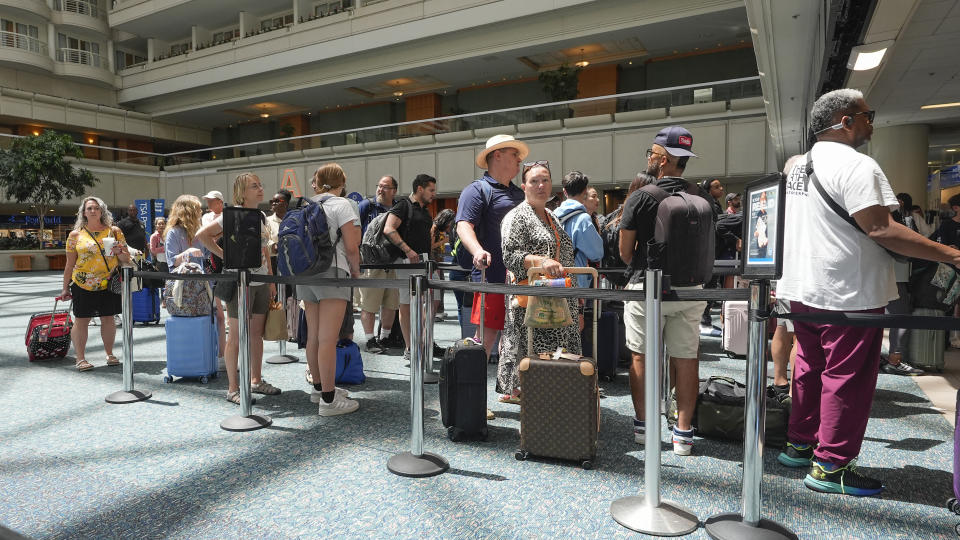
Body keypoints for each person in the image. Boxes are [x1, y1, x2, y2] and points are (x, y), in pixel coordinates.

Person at [775, 88, 960, 497]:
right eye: (867, 115)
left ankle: (800, 445)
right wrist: (952, 254)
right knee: (847, 377)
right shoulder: (858, 165)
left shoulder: (798, 167)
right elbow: (881, 229)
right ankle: (832, 466)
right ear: (846, 121)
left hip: (803, 286)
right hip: (848, 289)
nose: (871, 123)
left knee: (809, 366)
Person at [618, 126, 706, 456]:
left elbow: (626, 252)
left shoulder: (642, 196)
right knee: (686, 358)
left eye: (652, 153)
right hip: (691, 290)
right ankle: (683, 434)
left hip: (648, 287)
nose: (650, 158)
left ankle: (645, 428)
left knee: (641, 356)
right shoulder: (701, 196)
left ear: (663, 158)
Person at [498, 161, 580, 403]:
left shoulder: (551, 216)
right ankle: (538, 411)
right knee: (534, 356)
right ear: (524, 186)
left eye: (545, 180)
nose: (541, 185)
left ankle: (549, 403)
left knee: (557, 356)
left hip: (559, 300)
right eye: (534, 181)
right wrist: (540, 261)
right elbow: (510, 255)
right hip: (532, 304)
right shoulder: (516, 217)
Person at [196, 173, 282, 405]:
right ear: (242, 192)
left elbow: (265, 250)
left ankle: (256, 379)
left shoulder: (261, 216)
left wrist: (271, 280)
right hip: (239, 282)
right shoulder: (230, 215)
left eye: (260, 184)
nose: (260, 189)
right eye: (254, 186)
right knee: (235, 335)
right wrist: (228, 256)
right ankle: (233, 388)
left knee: (256, 334)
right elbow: (202, 235)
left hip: (261, 280)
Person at [296, 163, 362, 415]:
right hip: (333, 273)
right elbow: (352, 245)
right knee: (328, 338)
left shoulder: (306, 205)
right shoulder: (342, 205)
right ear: (341, 183)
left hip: (306, 274)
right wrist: (355, 272)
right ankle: (329, 399)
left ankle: (319, 388)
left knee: (313, 336)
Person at [455, 134, 527, 358]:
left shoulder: (520, 192)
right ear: (498, 155)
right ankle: (473, 392)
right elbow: (463, 226)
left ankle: (511, 392)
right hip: (492, 278)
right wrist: (477, 251)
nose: (519, 160)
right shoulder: (476, 190)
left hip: (523, 278)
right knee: (485, 342)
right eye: (514, 154)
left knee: (518, 341)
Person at [60, 197, 132, 371]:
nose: (93, 211)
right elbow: (69, 264)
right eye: (89, 208)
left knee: (108, 318)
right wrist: (64, 287)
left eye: (96, 208)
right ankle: (81, 358)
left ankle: (109, 353)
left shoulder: (114, 231)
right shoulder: (75, 235)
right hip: (82, 283)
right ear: (84, 212)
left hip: (108, 282)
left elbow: (126, 259)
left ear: (102, 211)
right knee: (82, 319)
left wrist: (119, 251)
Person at [382, 173, 438, 364]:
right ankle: (409, 347)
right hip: (406, 262)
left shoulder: (425, 210)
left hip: (423, 263)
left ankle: (419, 343)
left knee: (422, 305)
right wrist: (408, 250)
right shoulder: (403, 205)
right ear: (420, 189)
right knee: (406, 305)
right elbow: (389, 229)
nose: (434, 194)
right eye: (431, 190)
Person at [358, 175, 399, 354]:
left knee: (391, 303)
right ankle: (369, 340)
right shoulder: (367, 206)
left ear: (394, 191)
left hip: (393, 262)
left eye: (385, 187)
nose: (380, 190)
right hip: (371, 263)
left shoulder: (399, 208)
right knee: (369, 304)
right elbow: (355, 231)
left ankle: (384, 337)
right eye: (379, 186)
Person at [554, 171, 603, 288]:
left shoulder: (552, 215)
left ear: (565, 192)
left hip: (553, 279)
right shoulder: (583, 219)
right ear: (585, 191)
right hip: (574, 282)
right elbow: (597, 253)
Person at [200, 189, 227, 363]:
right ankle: (218, 353)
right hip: (211, 262)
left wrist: (214, 235)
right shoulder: (206, 217)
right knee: (215, 308)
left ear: (219, 201)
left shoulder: (226, 215)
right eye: (207, 200)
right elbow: (208, 235)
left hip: (226, 260)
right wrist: (217, 234)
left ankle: (223, 354)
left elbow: (211, 235)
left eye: (211, 200)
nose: (208, 204)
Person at [431, 209, 456, 321]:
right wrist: (444, 241)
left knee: (440, 287)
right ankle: (436, 311)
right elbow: (430, 246)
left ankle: (438, 310)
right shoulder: (433, 229)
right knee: (437, 288)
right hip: (433, 261)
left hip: (437, 259)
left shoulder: (439, 230)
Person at [266, 188, 292, 275]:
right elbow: (264, 241)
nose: (273, 203)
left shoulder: (293, 221)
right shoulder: (267, 221)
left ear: (286, 203)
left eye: (277, 201)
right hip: (273, 263)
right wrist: (275, 246)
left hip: (292, 261)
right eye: (272, 201)